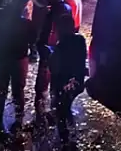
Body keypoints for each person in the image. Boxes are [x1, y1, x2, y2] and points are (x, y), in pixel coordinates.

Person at [0, 0, 36, 135]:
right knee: (18, 92)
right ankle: (18, 121)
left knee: (0, 91)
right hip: (18, 60)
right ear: (24, 5)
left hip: (2, 58)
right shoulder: (26, 23)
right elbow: (32, 41)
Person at [49, 12, 88, 143]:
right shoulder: (80, 40)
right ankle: (72, 134)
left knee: (61, 111)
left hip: (64, 84)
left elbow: (55, 70)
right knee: (66, 107)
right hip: (78, 82)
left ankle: (65, 139)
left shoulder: (61, 47)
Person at [34, 0, 73, 116]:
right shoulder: (63, 8)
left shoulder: (58, 10)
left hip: (51, 49)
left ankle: (46, 108)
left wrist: (44, 45)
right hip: (55, 48)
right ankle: (53, 106)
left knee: (47, 79)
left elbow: (52, 31)